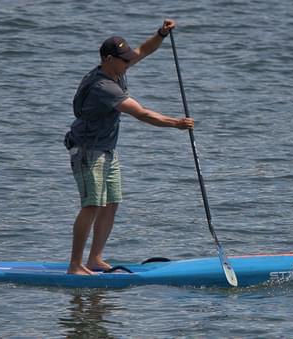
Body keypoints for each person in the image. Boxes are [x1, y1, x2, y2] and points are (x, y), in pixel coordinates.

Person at [64, 19, 194, 275]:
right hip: (87, 151)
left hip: (106, 149)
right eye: (123, 59)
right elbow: (142, 114)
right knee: (91, 205)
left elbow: (144, 51)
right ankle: (74, 265)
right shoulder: (104, 86)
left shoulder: (117, 68)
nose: (128, 62)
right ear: (108, 59)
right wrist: (175, 123)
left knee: (111, 202)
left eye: (127, 58)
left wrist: (161, 34)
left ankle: (95, 259)